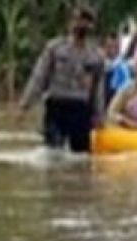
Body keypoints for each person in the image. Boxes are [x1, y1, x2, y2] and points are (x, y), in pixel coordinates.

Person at [16, 5, 106, 155]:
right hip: (57, 106)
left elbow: (98, 90)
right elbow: (39, 77)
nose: (80, 24)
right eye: (78, 19)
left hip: (81, 110)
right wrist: (24, 105)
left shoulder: (96, 56)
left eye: (85, 21)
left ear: (91, 26)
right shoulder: (55, 48)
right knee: (52, 153)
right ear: (71, 22)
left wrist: (99, 117)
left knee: (81, 156)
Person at [103, 33, 134, 109]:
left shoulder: (124, 67)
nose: (112, 50)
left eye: (115, 47)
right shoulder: (100, 64)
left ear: (119, 48)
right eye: (109, 46)